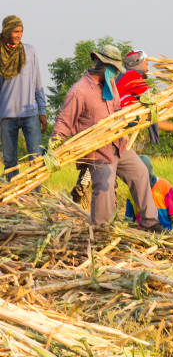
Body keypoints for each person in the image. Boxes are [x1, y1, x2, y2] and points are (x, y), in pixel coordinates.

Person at [52, 45, 161, 231]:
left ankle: (151, 223)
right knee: (105, 187)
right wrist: (54, 145)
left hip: (118, 143)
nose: (115, 74)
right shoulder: (80, 91)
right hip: (97, 150)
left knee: (141, 173)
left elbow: (116, 108)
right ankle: (101, 230)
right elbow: (64, 120)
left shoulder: (109, 85)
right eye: (113, 69)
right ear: (103, 65)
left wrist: (129, 118)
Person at [0, 15, 47, 182]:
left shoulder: (30, 51)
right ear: (6, 31)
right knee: (10, 161)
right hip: (7, 115)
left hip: (30, 113)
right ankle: (14, 198)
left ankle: (36, 198)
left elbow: (38, 82)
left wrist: (42, 110)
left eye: (21, 31)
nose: (19, 35)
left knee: (36, 158)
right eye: (15, 31)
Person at [125, 155, 173, 231]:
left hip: (165, 232)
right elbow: (129, 217)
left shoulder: (164, 185)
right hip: (143, 233)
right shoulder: (132, 190)